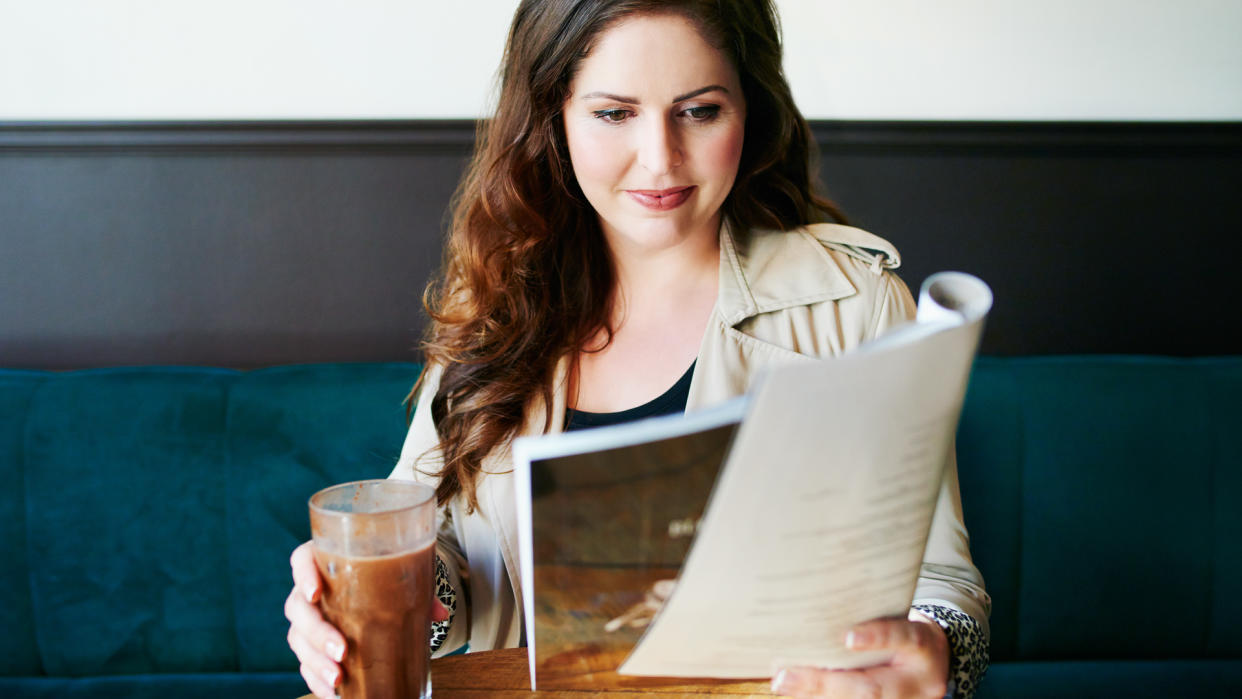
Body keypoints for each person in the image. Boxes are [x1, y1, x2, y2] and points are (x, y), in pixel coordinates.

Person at [286, 1, 991, 697]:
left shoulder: (858, 305)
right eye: (614, 113)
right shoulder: (497, 311)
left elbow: (945, 586)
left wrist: (933, 651)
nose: (660, 159)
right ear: (553, 117)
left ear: (750, 108)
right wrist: (368, 600)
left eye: (700, 110)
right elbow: (440, 562)